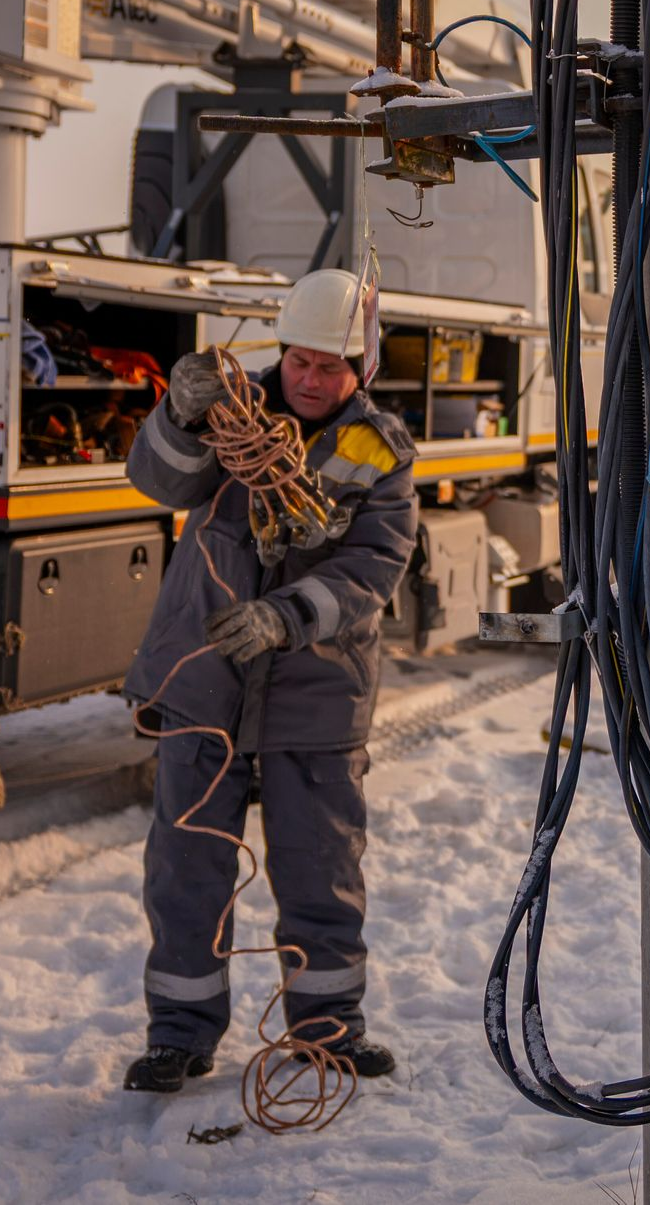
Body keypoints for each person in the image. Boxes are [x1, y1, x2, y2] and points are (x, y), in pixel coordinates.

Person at [119, 267, 417, 1092]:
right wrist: (178, 414)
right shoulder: (230, 411)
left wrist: (285, 617)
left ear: (361, 367)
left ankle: (328, 1029)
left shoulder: (379, 450)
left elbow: (373, 566)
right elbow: (158, 480)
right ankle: (178, 1037)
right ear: (281, 351)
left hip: (315, 695)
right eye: (299, 361)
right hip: (205, 683)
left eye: (331, 367)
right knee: (185, 869)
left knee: (322, 866)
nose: (311, 380)